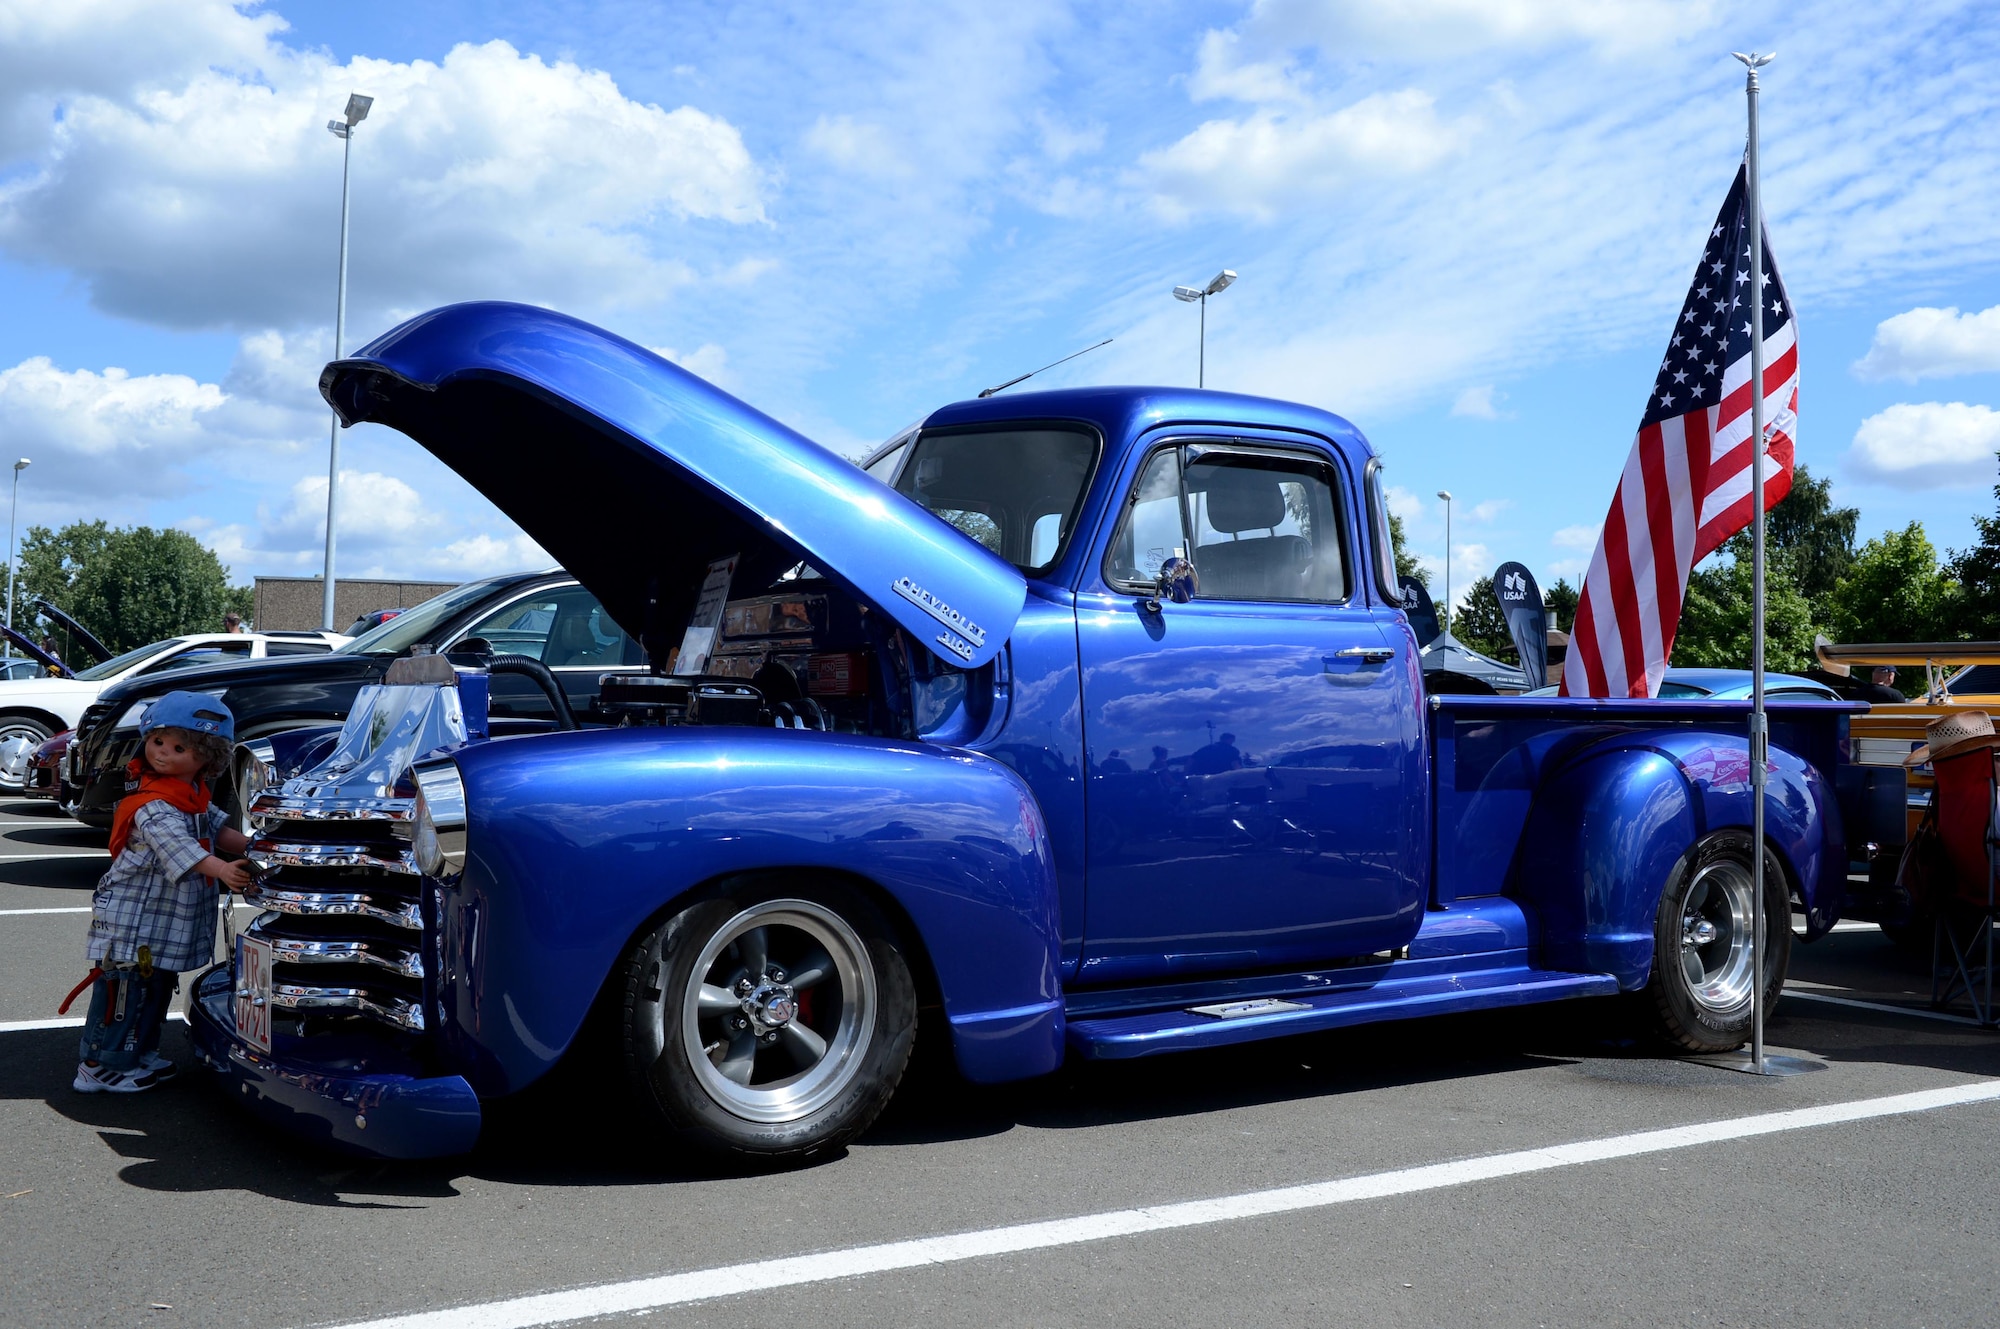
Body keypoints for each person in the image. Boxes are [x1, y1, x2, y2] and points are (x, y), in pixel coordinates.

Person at [67, 691, 253, 1093]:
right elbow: (181, 849)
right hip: (134, 920)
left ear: (208, 756)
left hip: (157, 921)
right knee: (124, 992)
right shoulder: (155, 804)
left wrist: (258, 848)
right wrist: (223, 868)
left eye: (178, 746)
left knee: (153, 988)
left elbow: (218, 830)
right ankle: (101, 1063)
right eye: (157, 742)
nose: (163, 753)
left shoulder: (192, 799)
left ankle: (138, 1051)